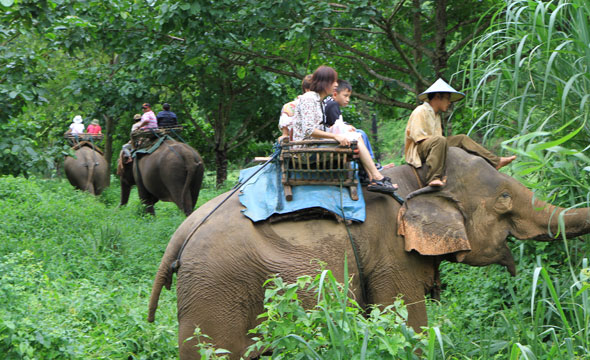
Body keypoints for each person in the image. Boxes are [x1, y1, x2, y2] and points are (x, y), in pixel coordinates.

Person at [292, 65, 397, 194]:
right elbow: (309, 130)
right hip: (306, 150)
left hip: (315, 145)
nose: (336, 84)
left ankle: (374, 178)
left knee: (356, 136)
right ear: (325, 82)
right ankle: (376, 177)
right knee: (356, 139)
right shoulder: (309, 99)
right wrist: (335, 136)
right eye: (333, 81)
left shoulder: (318, 100)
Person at [404, 78, 516, 187]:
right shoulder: (420, 111)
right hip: (420, 149)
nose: (449, 103)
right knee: (440, 140)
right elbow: (418, 137)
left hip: (436, 145)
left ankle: (495, 162)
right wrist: (439, 143)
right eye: (447, 99)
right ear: (438, 97)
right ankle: (433, 177)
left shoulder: (436, 115)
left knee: (461, 138)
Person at [324, 80, 378, 162]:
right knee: (361, 133)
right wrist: (347, 127)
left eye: (349, 96)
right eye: (345, 96)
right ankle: (370, 160)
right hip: (332, 137)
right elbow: (336, 126)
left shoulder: (328, 102)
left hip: (331, 135)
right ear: (335, 94)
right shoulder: (333, 105)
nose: (348, 99)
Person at [278, 74, 313, 142]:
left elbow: (285, 134)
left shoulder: (288, 106)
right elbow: (285, 135)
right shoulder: (290, 107)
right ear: (307, 90)